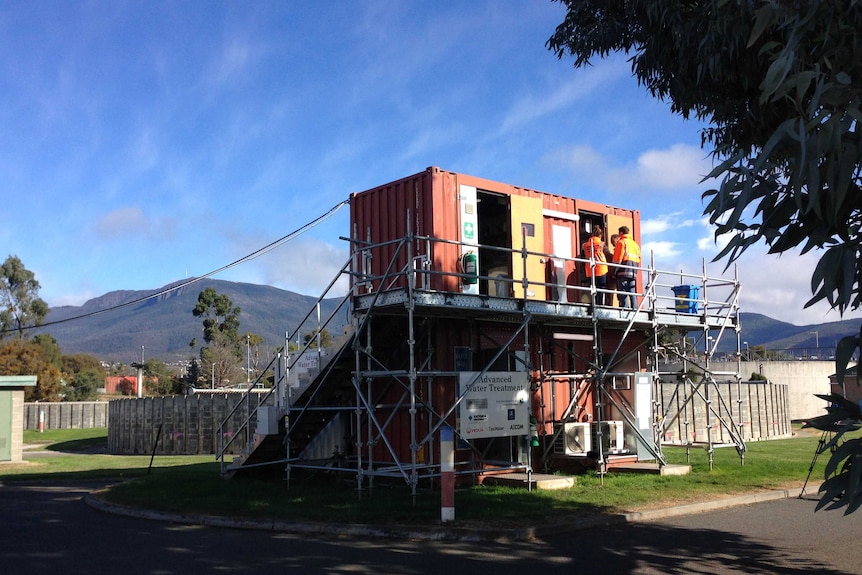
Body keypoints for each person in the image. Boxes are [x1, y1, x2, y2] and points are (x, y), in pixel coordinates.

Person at [613, 225, 641, 308]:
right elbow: (639, 258)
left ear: (621, 232)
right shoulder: (635, 245)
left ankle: (625, 310)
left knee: (623, 292)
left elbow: (618, 259)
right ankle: (634, 309)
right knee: (632, 292)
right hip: (633, 272)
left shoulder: (621, 242)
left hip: (623, 272)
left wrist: (615, 272)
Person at [581, 226, 609, 305]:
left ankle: (594, 304)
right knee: (601, 288)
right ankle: (601, 305)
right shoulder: (602, 244)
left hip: (590, 270)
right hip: (601, 269)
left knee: (593, 288)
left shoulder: (585, 245)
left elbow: (583, 257)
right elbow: (608, 254)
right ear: (600, 235)